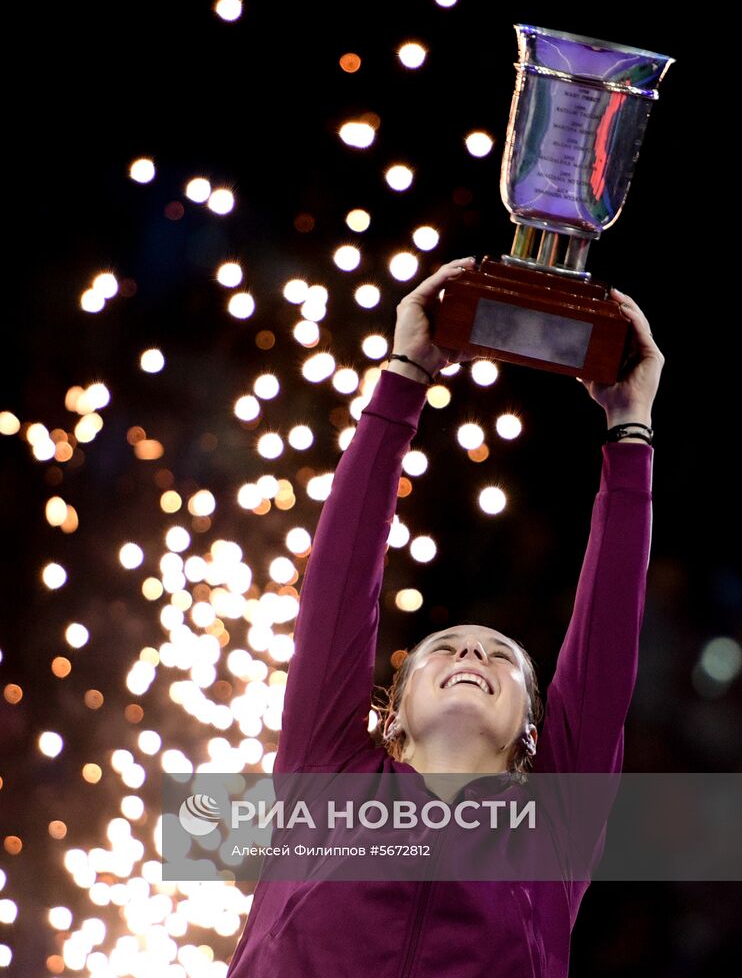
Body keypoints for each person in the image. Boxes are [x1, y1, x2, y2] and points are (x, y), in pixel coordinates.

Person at [227, 257, 663, 977]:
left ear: (533, 726)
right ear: (390, 715)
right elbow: (337, 591)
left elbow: (607, 644)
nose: (470, 656)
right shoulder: (327, 773)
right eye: (447, 648)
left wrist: (630, 427)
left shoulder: (554, 829)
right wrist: (402, 376)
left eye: (498, 656)